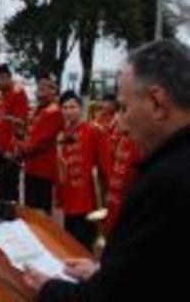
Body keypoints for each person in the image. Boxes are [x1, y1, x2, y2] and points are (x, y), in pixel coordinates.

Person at [23, 39, 190, 301]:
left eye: (123, 108)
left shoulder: (167, 182)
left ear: (158, 103)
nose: (121, 126)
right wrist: (104, 271)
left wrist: (48, 288)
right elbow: (156, 271)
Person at [55, 90, 101, 250]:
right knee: (69, 243)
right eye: (65, 108)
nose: (68, 111)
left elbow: (104, 166)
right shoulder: (61, 135)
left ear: (81, 109)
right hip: (69, 199)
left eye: (73, 107)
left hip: (87, 200)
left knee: (83, 246)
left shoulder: (93, 131)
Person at [18, 72, 63, 214]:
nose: (39, 94)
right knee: (30, 209)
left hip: (43, 169)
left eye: (44, 90)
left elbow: (39, 141)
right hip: (31, 167)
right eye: (38, 89)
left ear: (53, 90)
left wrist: (19, 146)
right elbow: (30, 133)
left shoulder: (53, 112)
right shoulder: (39, 109)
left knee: (41, 211)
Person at [0, 63, 30, 203]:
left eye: (2, 78)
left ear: (9, 77)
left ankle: (11, 219)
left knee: (9, 188)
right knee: (1, 187)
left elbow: (20, 124)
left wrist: (11, 148)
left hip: (10, 150)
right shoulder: (2, 95)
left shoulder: (18, 93)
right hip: (0, 149)